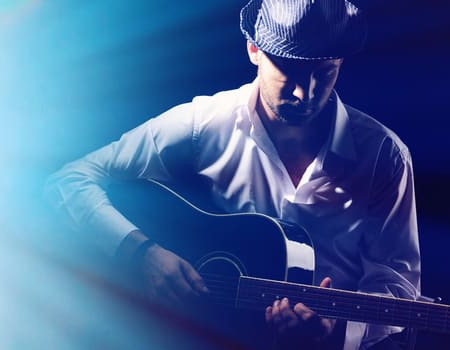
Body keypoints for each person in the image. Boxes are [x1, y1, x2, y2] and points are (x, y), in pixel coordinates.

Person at [44, 0, 421, 349]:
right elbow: (71, 179)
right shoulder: (203, 125)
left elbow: (397, 286)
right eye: (288, 70)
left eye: (323, 74)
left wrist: (335, 328)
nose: (305, 93)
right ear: (254, 50)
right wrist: (143, 254)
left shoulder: (383, 155)